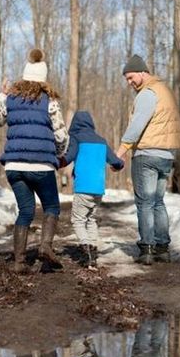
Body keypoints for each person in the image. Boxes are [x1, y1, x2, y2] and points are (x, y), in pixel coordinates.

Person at [0, 48, 69, 274]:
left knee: (25, 211)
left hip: (14, 166)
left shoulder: (11, 99)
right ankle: (45, 246)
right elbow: (61, 135)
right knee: (51, 206)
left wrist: (2, 95)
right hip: (41, 166)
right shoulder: (50, 102)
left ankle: (19, 262)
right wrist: (60, 153)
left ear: (24, 76)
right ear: (43, 79)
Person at [115, 55, 180, 265]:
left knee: (145, 202)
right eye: (127, 79)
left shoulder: (147, 93)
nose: (129, 82)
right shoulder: (165, 91)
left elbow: (137, 126)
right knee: (158, 202)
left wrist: (121, 150)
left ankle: (146, 249)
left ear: (142, 72)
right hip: (166, 155)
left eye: (131, 77)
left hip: (147, 154)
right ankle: (162, 248)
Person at [59, 111, 124, 268]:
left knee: (78, 220)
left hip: (83, 188)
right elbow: (115, 161)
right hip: (98, 189)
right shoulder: (101, 141)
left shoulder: (76, 138)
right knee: (91, 219)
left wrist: (56, 162)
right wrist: (119, 165)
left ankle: (86, 248)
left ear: (75, 124)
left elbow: (68, 157)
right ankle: (93, 250)